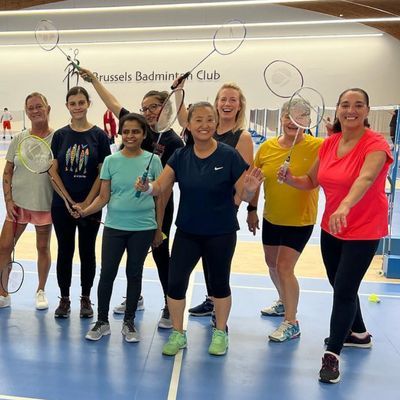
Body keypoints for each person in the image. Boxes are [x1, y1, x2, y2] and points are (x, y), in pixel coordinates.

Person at [278, 88, 393, 383]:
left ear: (367, 111)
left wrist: (345, 204)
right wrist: (290, 179)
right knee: (339, 283)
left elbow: (366, 178)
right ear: (338, 109)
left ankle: (332, 356)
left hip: (364, 228)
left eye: (358, 105)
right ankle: (359, 333)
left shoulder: (376, 144)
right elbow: (311, 180)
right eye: (345, 105)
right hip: (333, 226)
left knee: (343, 289)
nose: (351, 110)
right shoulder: (330, 144)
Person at [136, 102, 264, 356]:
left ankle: (220, 332)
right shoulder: (180, 156)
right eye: (198, 120)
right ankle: (178, 333)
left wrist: (250, 191)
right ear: (189, 125)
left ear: (215, 124)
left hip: (221, 232)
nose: (204, 125)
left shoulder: (229, 155)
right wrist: (147, 188)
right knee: (175, 283)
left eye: (209, 120)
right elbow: (160, 186)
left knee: (219, 284)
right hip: (188, 233)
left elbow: (242, 193)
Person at [79, 67, 184, 329]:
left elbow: (166, 187)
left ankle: (168, 305)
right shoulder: (136, 128)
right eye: (145, 108)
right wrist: (94, 80)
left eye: (154, 107)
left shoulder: (173, 142)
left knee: (160, 254)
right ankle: (135, 298)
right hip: (124, 213)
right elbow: (113, 104)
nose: (148, 112)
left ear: (166, 108)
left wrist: (158, 224)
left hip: (157, 206)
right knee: (129, 264)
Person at [74, 113, 164, 342]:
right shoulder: (111, 161)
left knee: (134, 273)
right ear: (120, 134)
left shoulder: (153, 161)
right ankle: (102, 322)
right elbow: (103, 197)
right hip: (115, 227)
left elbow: (160, 197)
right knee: (107, 274)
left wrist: (158, 229)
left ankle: (129, 322)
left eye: (136, 131)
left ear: (144, 134)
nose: (130, 135)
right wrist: (85, 211)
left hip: (143, 228)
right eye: (126, 131)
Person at [175, 80, 255, 322]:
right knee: (202, 263)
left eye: (233, 100)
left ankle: (219, 318)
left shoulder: (241, 137)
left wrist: (240, 207)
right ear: (216, 103)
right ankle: (211, 300)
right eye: (223, 99)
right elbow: (184, 119)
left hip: (222, 212)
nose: (227, 103)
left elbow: (246, 180)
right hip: (196, 212)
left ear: (240, 106)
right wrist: (178, 91)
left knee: (218, 268)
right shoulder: (205, 128)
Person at [249, 100, 323, 342]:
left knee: (284, 267)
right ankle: (284, 301)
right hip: (272, 217)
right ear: (281, 119)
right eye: (289, 117)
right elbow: (256, 179)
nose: (294, 122)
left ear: (308, 121)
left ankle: (292, 322)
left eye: (301, 117)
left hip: (300, 220)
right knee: (271, 263)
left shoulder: (318, 146)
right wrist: (252, 209)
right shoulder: (267, 148)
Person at [50, 86, 111, 319]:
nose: (77, 107)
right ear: (67, 106)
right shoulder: (60, 136)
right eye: (72, 103)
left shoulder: (99, 136)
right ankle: (64, 299)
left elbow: (102, 174)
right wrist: (67, 201)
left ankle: (86, 298)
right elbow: (53, 171)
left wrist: (86, 203)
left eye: (81, 102)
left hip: (90, 207)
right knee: (65, 251)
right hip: (62, 207)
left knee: (87, 251)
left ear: (88, 104)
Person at [0, 93, 53, 310]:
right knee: (4, 247)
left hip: (44, 204)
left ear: (48, 108)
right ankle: (3, 292)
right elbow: (7, 171)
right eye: (30, 108)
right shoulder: (19, 139)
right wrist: (8, 200)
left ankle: (40, 291)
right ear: (26, 112)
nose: (35, 110)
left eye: (39, 106)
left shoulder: (57, 138)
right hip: (18, 205)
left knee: (42, 247)